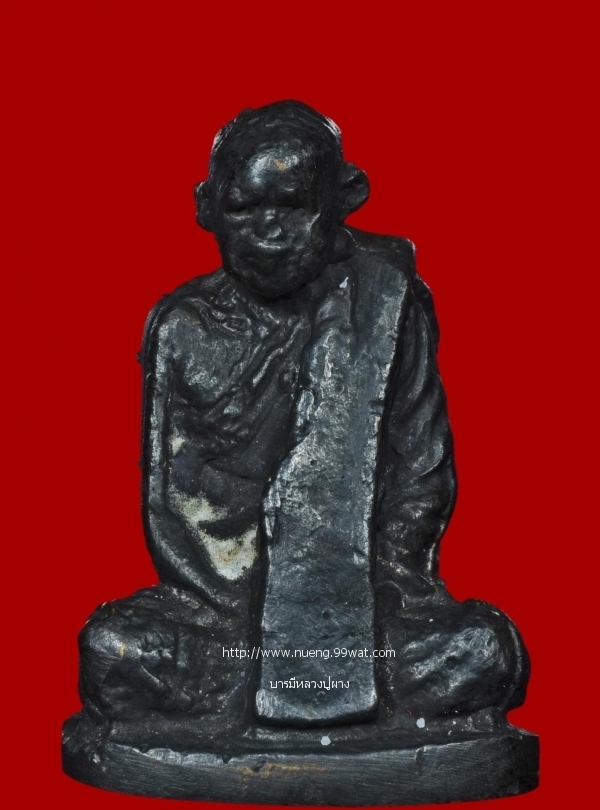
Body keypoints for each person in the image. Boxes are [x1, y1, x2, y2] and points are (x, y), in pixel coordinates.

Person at [78, 101, 528, 736]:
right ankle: (263, 686)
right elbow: (170, 506)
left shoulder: (383, 299)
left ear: (343, 200)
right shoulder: (184, 326)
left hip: (367, 614)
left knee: (484, 652)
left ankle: (319, 683)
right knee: (112, 650)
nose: (268, 230)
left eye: (292, 207)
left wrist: (370, 595)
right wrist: (245, 610)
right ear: (207, 208)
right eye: (243, 209)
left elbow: (421, 475)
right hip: (225, 625)